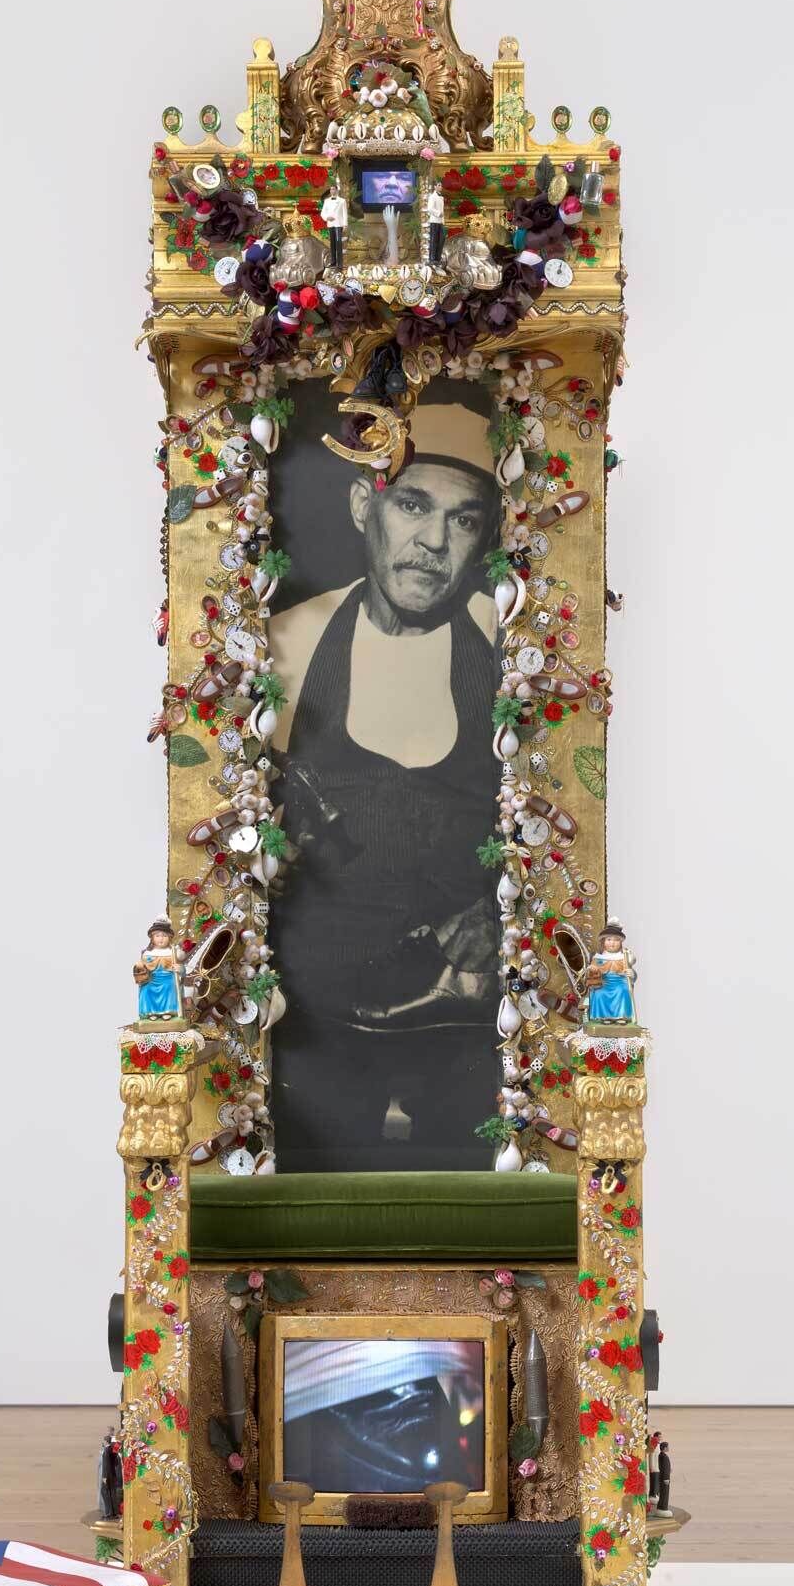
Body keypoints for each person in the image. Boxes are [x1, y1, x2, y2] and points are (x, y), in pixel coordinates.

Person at [269, 398, 500, 1173]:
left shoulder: (507, 643)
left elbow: (559, 813)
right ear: (364, 505)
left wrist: (500, 907)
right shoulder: (291, 646)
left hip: (464, 1030)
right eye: (412, 505)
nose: (433, 543)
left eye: (464, 521)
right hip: (319, 1032)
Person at [582, 923, 637, 1024]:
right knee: (599, 993)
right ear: (603, 942)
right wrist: (592, 969)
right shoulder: (598, 958)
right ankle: (604, 1017)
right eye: (609, 940)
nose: (612, 943)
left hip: (620, 982)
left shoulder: (624, 957)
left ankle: (621, 1016)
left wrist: (632, 974)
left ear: (621, 943)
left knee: (623, 991)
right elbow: (591, 973)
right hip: (603, 983)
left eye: (616, 940)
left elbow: (632, 973)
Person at [133, 920, 182, 1022]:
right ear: (152, 938)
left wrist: (180, 969)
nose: (161, 939)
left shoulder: (172, 952)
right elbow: (142, 968)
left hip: (168, 979)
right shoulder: (147, 953)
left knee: (170, 986)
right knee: (146, 989)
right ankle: (151, 1012)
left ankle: (168, 1011)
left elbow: (182, 967)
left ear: (169, 938)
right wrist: (140, 966)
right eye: (158, 936)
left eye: (164, 936)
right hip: (152, 979)